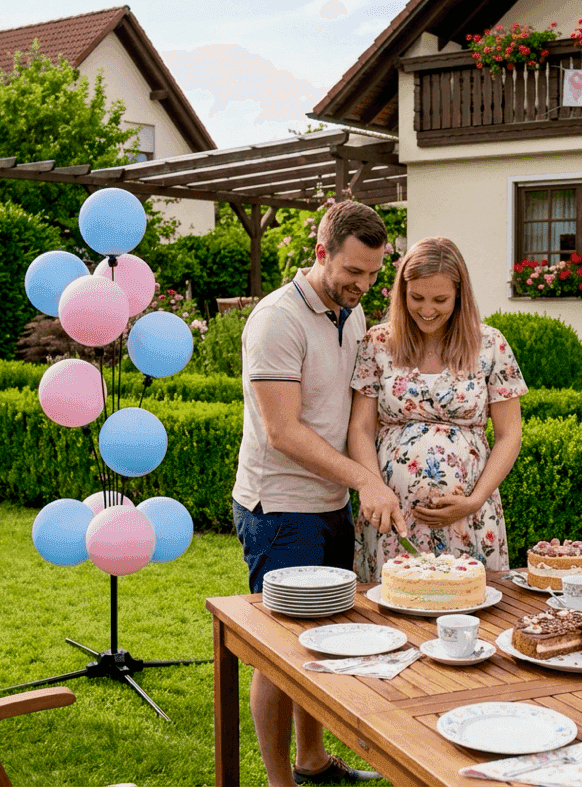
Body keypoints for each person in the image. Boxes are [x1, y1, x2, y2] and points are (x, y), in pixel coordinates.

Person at [233, 201, 399, 787]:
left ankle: (312, 761)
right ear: (321, 252)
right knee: (279, 653)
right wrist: (365, 479)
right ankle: (281, 781)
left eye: (375, 273)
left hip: (331, 505)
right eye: (354, 271)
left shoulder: (347, 313)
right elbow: (283, 432)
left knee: (324, 639)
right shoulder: (276, 319)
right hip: (279, 508)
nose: (364, 285)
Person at [347, 237, 526, 579]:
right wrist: (374, 487)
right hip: (391, 515)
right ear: (402, 293)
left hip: (469, 516)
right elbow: (360, 428)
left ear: (460, 295)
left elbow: (509, 434)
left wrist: (474, 501)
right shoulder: (378, 342)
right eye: (416, 298)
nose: (427, 309)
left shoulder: (489, 344)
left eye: (440, 299)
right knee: (393, 613)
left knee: (470, 610)